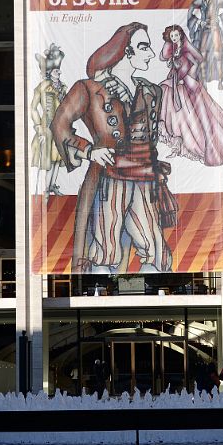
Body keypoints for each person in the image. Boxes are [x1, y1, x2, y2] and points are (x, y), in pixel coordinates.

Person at [51, 22, 173, 274]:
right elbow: (59, 123)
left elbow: (151, 139)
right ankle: (98, 295)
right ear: (124, 52)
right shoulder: (89, 89)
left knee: (155, 247)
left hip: (144, 178)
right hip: (108, 176)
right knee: (105, 247)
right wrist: (88, 151)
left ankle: (150, 299)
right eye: (143, 47)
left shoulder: (152, 92)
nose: (151, 54)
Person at [157, 25, 223, 166]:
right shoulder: (173, 49)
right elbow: (162, 56)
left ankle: (191, 141)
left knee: (197, 112)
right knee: (167, 95)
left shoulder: (186, 50)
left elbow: (198, 58)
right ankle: (177, 139)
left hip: (187, 82)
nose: (174, 38)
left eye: (176, 36)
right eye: (171, 37)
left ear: (181, 35)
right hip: (175, 81)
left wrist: (190, 73)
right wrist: (168, 44)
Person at [30, 43, 68, 196]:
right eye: (56, 70)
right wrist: (38, 126)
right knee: (48, 159)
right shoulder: (42, 87)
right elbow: (33, 108)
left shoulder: (63, 87)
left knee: (59, 158)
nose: (59, 72)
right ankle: (45, 187)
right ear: (50, 72)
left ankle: (52, 185)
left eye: (59, 69)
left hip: (61, 127)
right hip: (47, 128)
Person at [185, 0, 223, 89]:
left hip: (214, 28)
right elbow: (191, 9)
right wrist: (198, 21)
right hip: (205, 28)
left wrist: (220, 18)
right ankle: (203, 80)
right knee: (202, 53)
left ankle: (220, 80)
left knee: (217, 53)